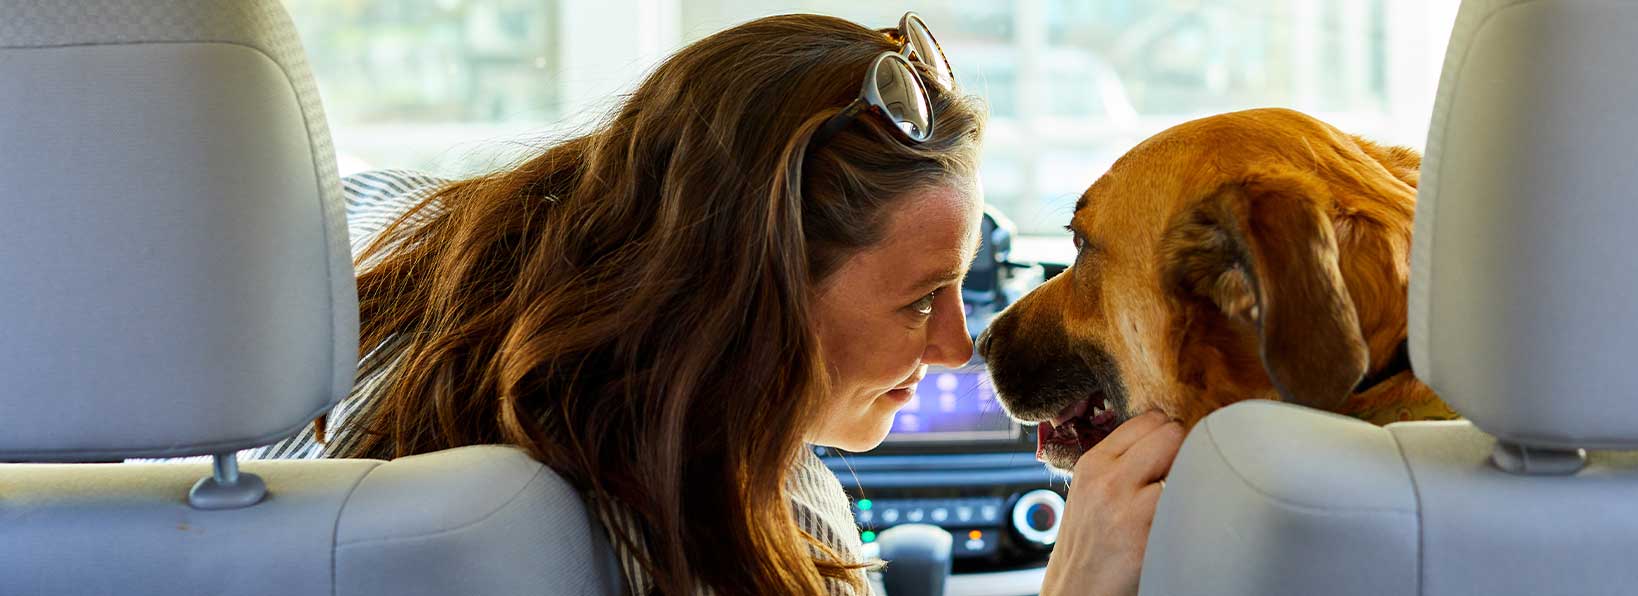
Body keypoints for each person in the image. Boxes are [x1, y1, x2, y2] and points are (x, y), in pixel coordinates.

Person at [255, 12, 1185, 596]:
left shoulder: (360, 269)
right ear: (755, 296)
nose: (954, 350)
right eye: (920, 302)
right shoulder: (742, 528)